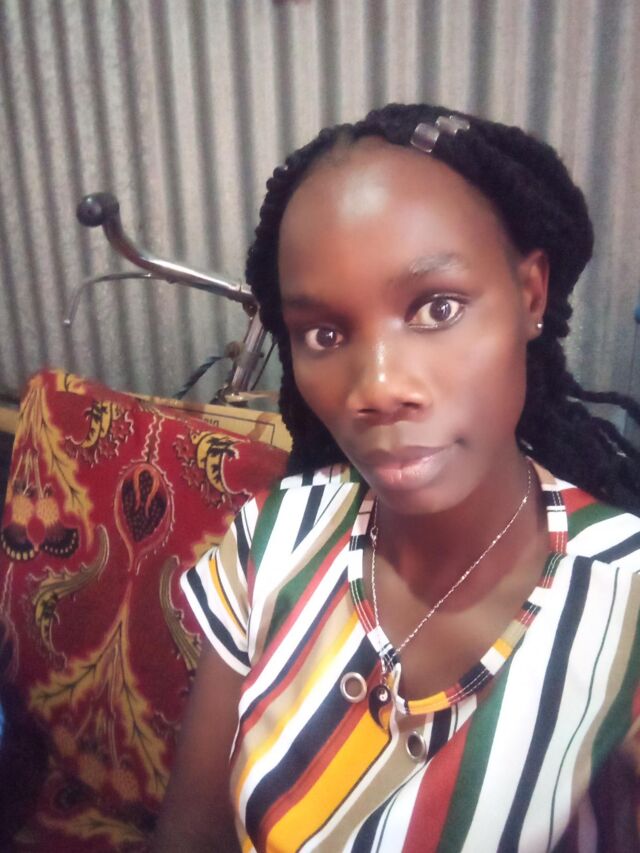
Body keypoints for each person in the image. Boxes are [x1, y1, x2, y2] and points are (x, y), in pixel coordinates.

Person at [154, 103, 640, 852]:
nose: (377, 387)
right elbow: (191, 835)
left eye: (437, 308)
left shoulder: (624, 603)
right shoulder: (273, 541)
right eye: (325, 333)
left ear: (531, 295)